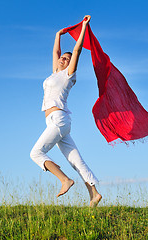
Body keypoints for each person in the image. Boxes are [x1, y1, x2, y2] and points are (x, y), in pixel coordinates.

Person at [30, 15, 102, 207]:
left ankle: (64, 180)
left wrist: (84, 27)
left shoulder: (69, 75)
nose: (62, 59)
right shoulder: (55, 73)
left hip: (59, 120)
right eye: (62, 58)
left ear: (70, 64)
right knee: (76, 160)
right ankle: (94, 193)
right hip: (56, 122)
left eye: (66, 59)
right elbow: (56, 51)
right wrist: (58, 35)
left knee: (36, 153)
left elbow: (77, 50)